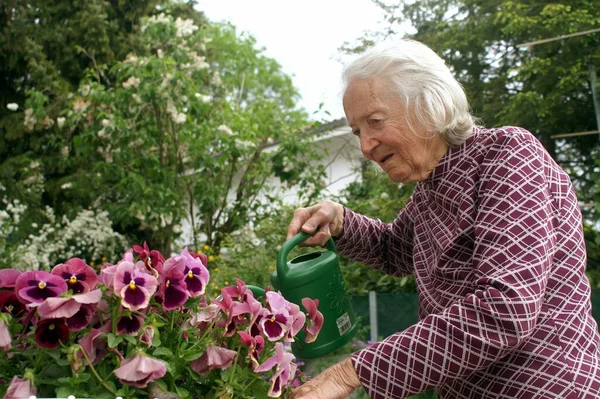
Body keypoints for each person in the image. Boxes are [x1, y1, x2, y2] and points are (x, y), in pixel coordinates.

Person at [288, 39, 600, 399]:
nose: (365, 147)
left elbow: (506, 310)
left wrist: (351, 373)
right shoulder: (432, 189)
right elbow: (394, 250)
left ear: (428, 105)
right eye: (358, 131)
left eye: (374, 121)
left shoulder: (509, 156)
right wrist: (340, 220)